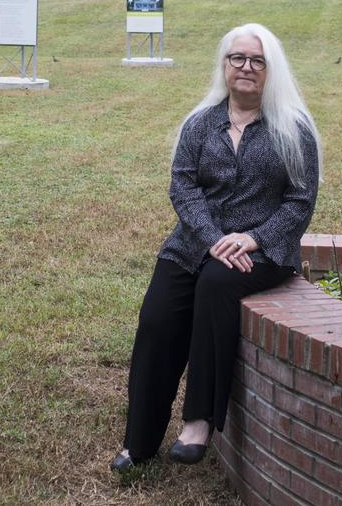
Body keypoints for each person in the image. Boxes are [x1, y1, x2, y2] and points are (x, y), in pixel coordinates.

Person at [111, 23, 321, 472]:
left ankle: (199, 419)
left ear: (271, 70)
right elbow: (182, 187)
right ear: (224, 65)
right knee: (156, 319)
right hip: (193, 243)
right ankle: (140, 441)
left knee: (215, 284)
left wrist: (253, 237)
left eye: (257, 60)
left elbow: (301, 200)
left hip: (263, 249)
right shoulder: (200, 122)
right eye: (237, 58)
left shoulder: (293, 128)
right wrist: (212, 239)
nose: (246, 67)